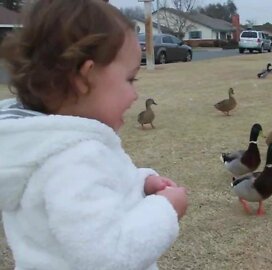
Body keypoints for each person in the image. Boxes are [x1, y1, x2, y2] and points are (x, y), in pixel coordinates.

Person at [0, 0, 188, 269]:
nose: (135, 94)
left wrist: (142, 184)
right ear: (85, 78)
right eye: (130, 79)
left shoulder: (43, 147)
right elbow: (111, 255)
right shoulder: (72, 160)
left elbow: (102, 191)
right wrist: (165, 210)